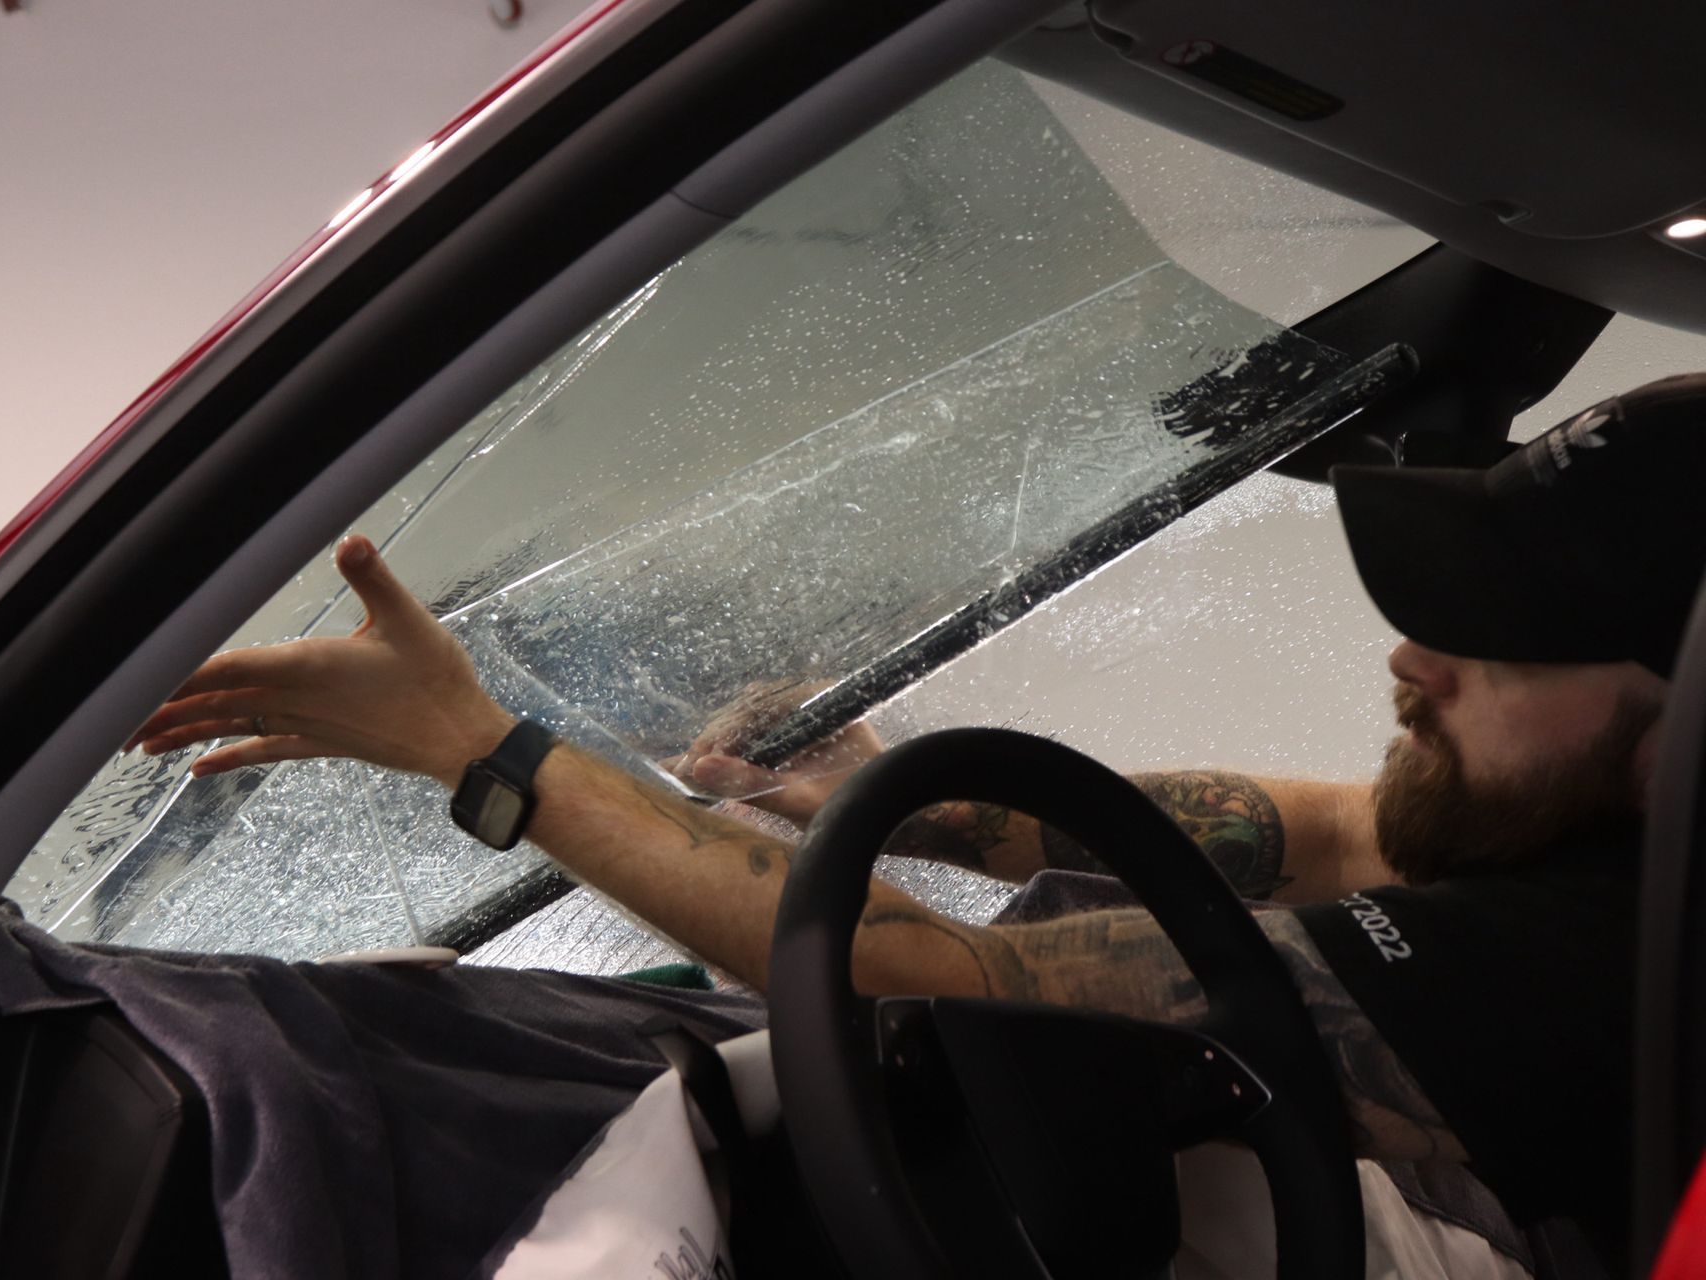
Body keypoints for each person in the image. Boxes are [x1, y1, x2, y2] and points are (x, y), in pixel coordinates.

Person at [128, 371, 1706, 1271]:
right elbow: (1321, 832)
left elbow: (925, 988)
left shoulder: (1582, 972)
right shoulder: (1594, 847)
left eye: (1500, 637)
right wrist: (909, 799)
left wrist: (486, 753)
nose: (1417, 658)